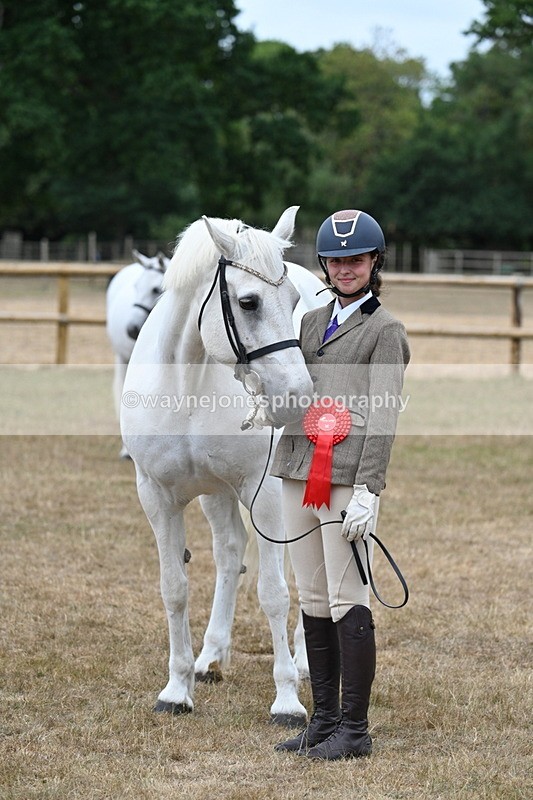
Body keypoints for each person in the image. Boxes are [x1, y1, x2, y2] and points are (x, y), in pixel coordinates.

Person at [270, 209, 410, 760]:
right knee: (309, 595)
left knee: (344, 596)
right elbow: (297, 391)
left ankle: (355, 729)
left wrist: (370, 488)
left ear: (374, 263)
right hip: (298, 470)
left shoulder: (385, 330)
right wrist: (270, 408)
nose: (345, 268)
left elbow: (383, 414)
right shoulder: (309, 322)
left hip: (346, 477)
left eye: (355, 259)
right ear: (323, 264)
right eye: (335, 260)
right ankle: (323, 720)